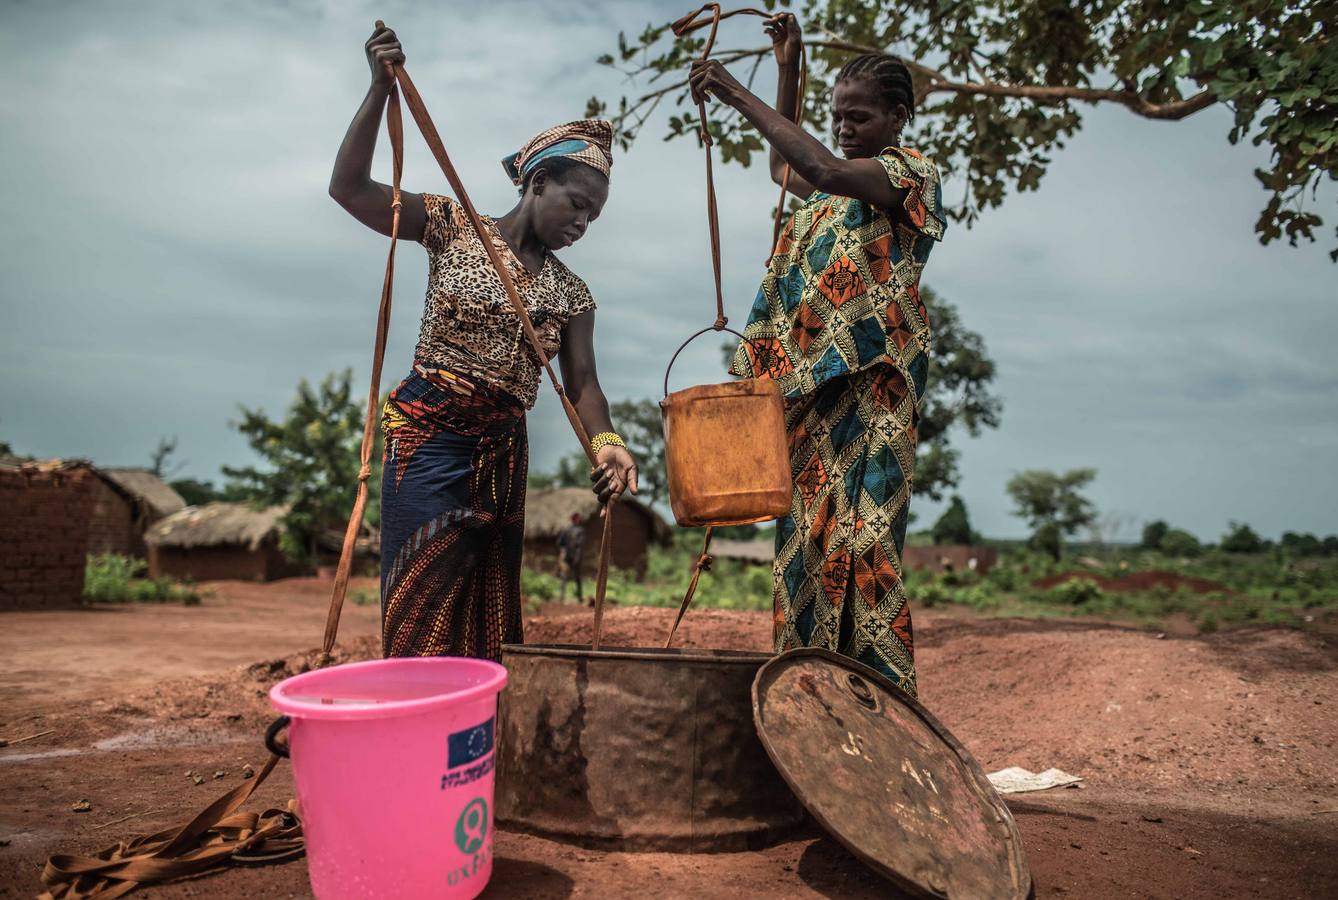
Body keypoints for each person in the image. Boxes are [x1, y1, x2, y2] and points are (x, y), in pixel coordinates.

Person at [329, 24, 638, 661]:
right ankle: (413, 734)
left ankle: (474, 746)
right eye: (576, 204)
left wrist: (607, 444)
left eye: (594, 217)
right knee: (421, 593)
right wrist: (377, 92)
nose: (582, 223)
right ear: (536, 183)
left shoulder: (573, 293)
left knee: (487, 608)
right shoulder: (451, 226)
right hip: (430, 439)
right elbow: (350, 190)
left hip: (503, 451)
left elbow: (583, 383)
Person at [690, 14, 945, 697]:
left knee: (864, 546)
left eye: (858, 116)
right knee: (804, 552)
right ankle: (814, 702)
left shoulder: (907, 175)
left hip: (874, 387)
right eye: (836, 115)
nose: (843, 127)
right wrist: (788, 65)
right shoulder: (826, 202)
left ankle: (887, 706)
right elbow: (787, 165)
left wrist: (734, 95)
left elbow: (820, 165)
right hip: (807, 394)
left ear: (898, 117)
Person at [556, 512, 586, 602]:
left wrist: (565, 550)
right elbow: (578, 546)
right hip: (572, 557)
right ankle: (566, 597)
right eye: (578, 518)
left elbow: (559, 543)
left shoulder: (567, 530)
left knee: (571, 577)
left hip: (570, 556)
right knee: (571, 577)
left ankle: (577, 597)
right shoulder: (579, 530)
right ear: (575, 519)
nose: (579, 519)